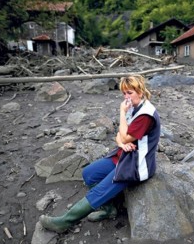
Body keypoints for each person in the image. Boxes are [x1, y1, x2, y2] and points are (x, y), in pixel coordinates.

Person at [39, 75, 161, 233]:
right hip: (124, 155)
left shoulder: (145, 114)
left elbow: (124, 134)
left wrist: (121, 114)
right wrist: (120, 143)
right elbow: (120, 135)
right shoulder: (134, 107)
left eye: (129, 92)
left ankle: (65, 222)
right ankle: (109, 209)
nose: (126, 97)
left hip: (137, 164)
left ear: (140, 92)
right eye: (124, 93)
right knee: (89, 173)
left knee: (100, 190)